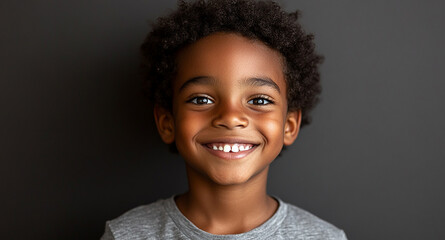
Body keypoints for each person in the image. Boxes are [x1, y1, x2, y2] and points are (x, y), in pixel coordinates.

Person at [101, 0, 347, 239]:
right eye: (201, 100)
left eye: (259, 101)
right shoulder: (126, 235)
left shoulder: (325, 237)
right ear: (167, 123)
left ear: (289, 126)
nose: (230, 118)